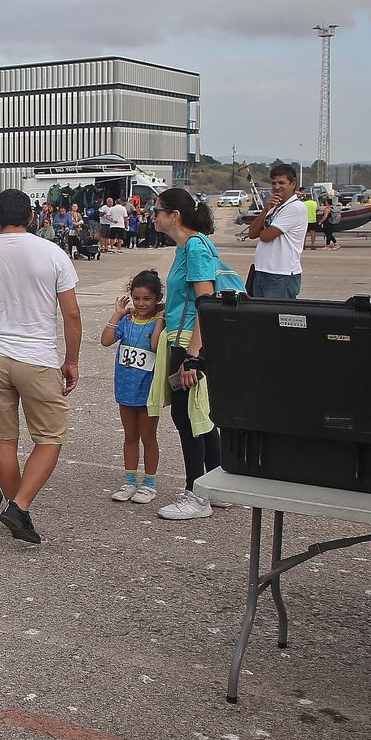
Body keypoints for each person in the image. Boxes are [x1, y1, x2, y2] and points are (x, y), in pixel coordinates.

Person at [0, 189, 82, 545]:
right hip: (37, 358)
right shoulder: (52, 253)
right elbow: (70, 312)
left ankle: (16, 507)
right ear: (32, 217)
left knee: (4, 439)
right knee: (50, 437)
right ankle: (20, 505)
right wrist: (71, 360)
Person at [148, 189, 225, 521]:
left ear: (174, 215)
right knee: (199, 416)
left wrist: (193, 356)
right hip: (184, 338)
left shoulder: (194, 247)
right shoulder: (188, 246)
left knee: (188, 417)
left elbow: (205, 304)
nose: (153, 216)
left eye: (157, 211)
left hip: (190, 343)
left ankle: (197, 494)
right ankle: (218, 483)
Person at [100, 271, 164, 504]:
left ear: (157, 298)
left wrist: (160, 321)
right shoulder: (126, 321)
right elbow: (106, 340)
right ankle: (129, 480)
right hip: (126, 388)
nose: (141, 303)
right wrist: (116, 315)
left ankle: (149, 483)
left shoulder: (158, 322)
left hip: (147, 390)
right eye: (136, 298)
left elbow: (156, 346)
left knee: (148, 436)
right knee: (130, 435)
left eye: (147, 299)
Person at [244, 164, 308, 300]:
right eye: (273, 183)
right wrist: (266, 210)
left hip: (281, 274)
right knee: (259, 316)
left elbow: (266, 236)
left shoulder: (295, 208)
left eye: (281, 183)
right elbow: (252, 234)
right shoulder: (275, 207)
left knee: (276, 317)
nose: (277, 187)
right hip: (262, 270)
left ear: (293, 184)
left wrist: (263, 231)